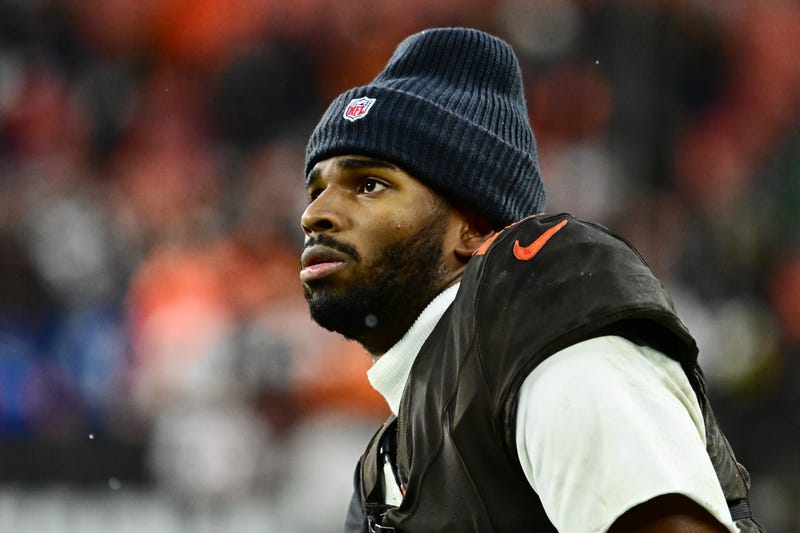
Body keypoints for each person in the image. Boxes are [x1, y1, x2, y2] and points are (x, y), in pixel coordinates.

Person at [299, 27, 764, 532]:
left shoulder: (552, 338)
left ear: (474, 227)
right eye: (316, 188)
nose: (314, 215)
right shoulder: (388, 463)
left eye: (369, 184)